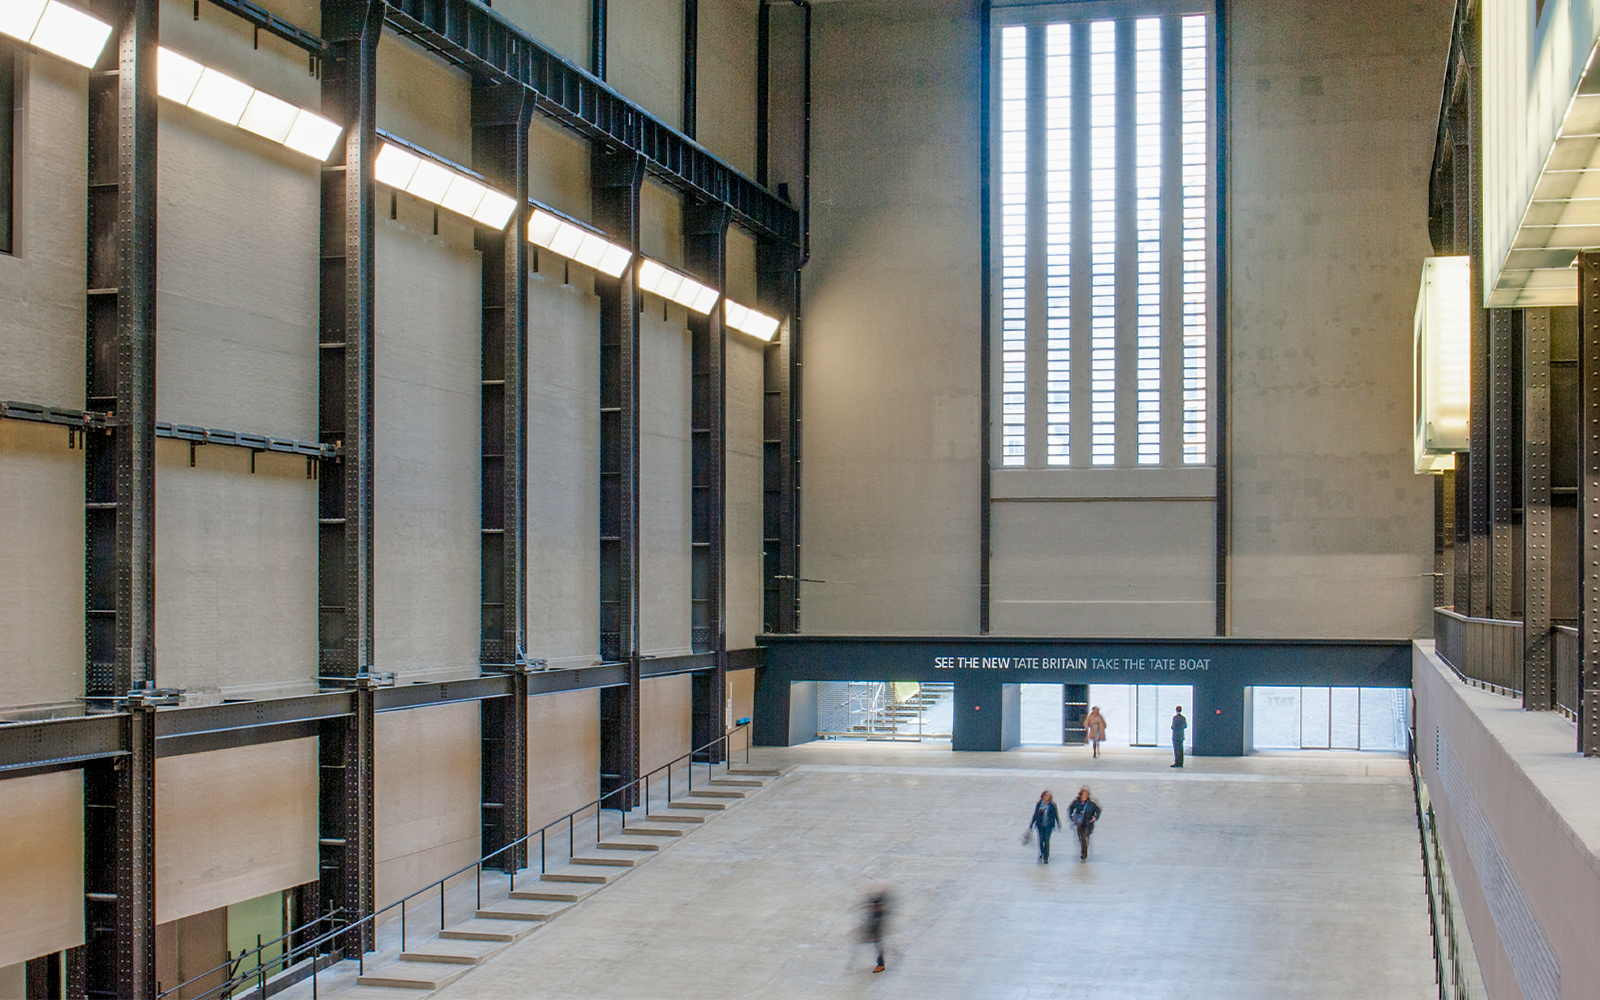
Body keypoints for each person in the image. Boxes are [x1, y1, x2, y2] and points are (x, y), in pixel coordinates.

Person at [859, 887, 890, 973]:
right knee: (877, 943)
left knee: (878, 944)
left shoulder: (878, 915)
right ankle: (880, 963)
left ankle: (881, 964)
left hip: (876, 928)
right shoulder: (876, 913)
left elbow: (876, 925)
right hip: (875, 926)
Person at [1067, 787, 1101, 860]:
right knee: (1081, 836)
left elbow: (1098, 810)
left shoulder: (1091, 804)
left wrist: (1095, 817)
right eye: (1083, 794)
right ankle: (1084, 851)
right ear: (1081, 795)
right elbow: (1071, 808)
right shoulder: (1077, 802)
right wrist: (1071, 816)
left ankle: (1084, 851)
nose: (1085, 796)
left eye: (1086, 794)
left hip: (1088, 822)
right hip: (1080, 822)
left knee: (1086, 836)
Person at [1028, 790, 1061, 864]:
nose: (1047, 797)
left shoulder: (1052, 805)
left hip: (1049, 825)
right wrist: (1031, 823)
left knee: (1046, 840)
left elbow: (1056, 815)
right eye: (1045, 796)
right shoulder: (1039, 804)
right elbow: (1035, 814)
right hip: (1040, 824)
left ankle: (1046, 856)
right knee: (1041, 839)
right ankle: (1042, 852)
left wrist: (1058, 823)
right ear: (1042, 796)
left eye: (1048, 796)